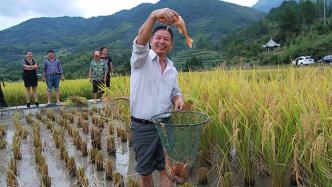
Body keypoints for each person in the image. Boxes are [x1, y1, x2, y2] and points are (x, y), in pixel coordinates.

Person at [130, 8, 185, 187]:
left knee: (167, 170)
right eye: (158, 38)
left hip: (165, 125)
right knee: (145, 173)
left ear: (172, 45)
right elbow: (140, 41)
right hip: (143, 126)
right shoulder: (141, 60)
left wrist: (178, 99)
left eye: (166, 39)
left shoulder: (172, 69)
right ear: (151, 41)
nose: (161, 41)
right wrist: (153, 15)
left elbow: (175, 91)